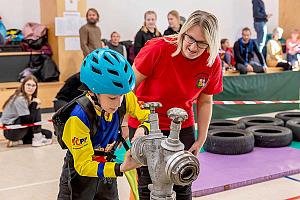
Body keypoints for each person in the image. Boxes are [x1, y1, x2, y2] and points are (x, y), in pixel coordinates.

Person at [129, 10, 223, 200]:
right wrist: (127, 124)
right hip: (145, 123)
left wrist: (201, 137)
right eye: (190, 38)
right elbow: (128, 90)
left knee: (183, 179)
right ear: (183, 31)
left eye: (202, 43)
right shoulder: (158, 48)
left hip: (182, 125)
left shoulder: (212, 61)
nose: (194, 47)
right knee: (149, 182)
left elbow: (205, 100)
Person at [57, 48, 150, 200]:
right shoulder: (78, 118)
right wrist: (121, 167)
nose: (119, 103)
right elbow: (84, 166)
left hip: (107, 166)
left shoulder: (124, 97)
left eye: (121, 96)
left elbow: (149, 117)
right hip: (80, 174)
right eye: (112, 98)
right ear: (93, 93)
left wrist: (143, 129)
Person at [1, 75, 52, 147]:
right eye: (28, 85)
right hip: (12, 131)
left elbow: (29, 119)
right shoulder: (20, 98)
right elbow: (26, 120)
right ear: (23, 85)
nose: (30, 88)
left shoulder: (25, 97)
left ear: (36, 87)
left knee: (48, 133)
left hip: (16, 128)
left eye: (33, 85)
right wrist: (34, 104)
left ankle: (19, 142)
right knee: (37, 109)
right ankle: (37, 139)